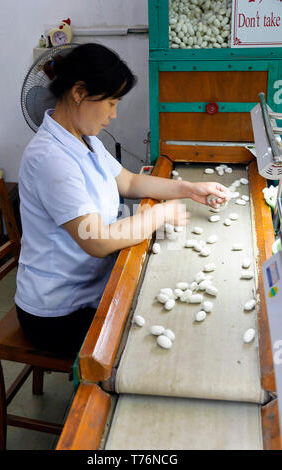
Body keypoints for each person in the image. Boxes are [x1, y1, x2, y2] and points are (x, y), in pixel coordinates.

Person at [15, 43, 229, 356]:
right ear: (79, 93)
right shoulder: (50, 158)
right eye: (112, 102)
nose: (113, 115)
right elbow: (98, 241)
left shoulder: (83, 139)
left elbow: (128, 181)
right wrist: (159, 215)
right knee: (148, 344)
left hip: (91, 286)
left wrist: (189, 189)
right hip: (59, 312)